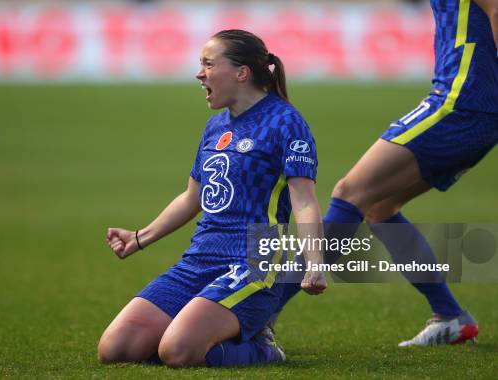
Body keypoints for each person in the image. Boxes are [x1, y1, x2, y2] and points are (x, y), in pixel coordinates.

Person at [272, 0, 497, 346]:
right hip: (470, 106)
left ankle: (261, 314)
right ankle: (449, 316)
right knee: (378, 207)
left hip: (460, 103)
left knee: (351, 193)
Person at [97, 29, 327, 367]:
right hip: (200, 257)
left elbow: (305, 201)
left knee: (177, 351)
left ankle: (262, 347)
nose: (199, 73)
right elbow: (192, 198)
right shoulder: (215, 126)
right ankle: (215, 329)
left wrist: (315, 263)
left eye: (208, 64)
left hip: (255, 260)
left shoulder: (286, 122)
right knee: (116, 349)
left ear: (241, 72)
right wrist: (139, 237)